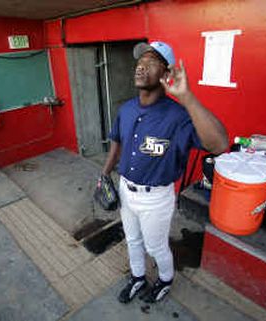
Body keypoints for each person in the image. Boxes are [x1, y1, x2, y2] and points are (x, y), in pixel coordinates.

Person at [100, 41, 228, 304]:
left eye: (151, 61)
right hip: (125, 189)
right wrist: (104, 175)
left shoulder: (178, 115)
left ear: (166, 73)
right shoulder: (126, 109)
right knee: (133, 240)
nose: (141, 66)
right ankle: (137, 278)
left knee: (155, 246)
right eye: (139, 62)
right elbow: (116, 140)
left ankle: (165, 280)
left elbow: (220, 144)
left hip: (155, 198)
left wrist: (187, 97)